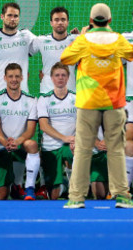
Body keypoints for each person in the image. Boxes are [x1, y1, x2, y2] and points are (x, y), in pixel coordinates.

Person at [60, 3, 133, 209]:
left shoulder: (83, 40)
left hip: (88, 102)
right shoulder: (118, 39)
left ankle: (76, 197)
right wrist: (111, 34)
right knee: (116, 150)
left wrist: (82, 36)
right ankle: (122, 196)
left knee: (83, 151)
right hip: (113, 103)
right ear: (110, 21)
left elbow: (65, 57)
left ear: (91, 20)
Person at [0, 63, 39, 200]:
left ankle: (29, 188)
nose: (14, 79)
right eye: (10, 76)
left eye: (17, 76)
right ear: (5, 78)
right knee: (2, 195)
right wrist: (6, 142)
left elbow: (30, 130)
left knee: (33, 145)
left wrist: (17, 142)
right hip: (1, 145)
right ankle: (12, 185)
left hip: (21, 143)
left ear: (22, 78)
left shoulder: (31, 100)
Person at [38, 62, 77, 200]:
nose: (60, 78)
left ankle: (74, 185)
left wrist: (75, 138)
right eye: (57, 75)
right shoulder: (44, 99)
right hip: (50, 147)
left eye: (63, 75)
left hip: (71, 145)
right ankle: (62, 184)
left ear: (68, 77)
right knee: (53, 195)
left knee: (76, 149)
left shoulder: (76, 98)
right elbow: (43, 125)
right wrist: (63, 137)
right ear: (51, 78)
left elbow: (82, 123)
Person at [0, 2, 36, 94]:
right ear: (2, 16)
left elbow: (46, 43)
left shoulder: (27, 36)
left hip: (21, 94)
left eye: (16, 16)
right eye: (9, 15)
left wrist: (69, 37)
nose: (13, 19)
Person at [30, 7, 77, 93]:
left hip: (70, 93)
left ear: (68, 22)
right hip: (47, 92)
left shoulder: (77, 40)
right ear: (51, 23)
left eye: (63, 20)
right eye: (56, 20)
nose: (60, 22)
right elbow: (21, 54)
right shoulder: (41, 40)